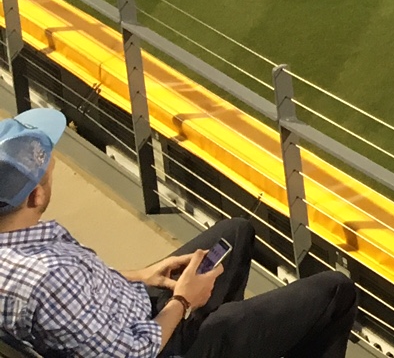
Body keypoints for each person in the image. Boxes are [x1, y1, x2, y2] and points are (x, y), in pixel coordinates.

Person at [0, 108, 357, 358]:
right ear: (37, 195)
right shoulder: (48, 279)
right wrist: (183, 301)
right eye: (48, 174)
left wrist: (143, 275)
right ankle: (215, 332)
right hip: (159, 344)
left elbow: (72, 298)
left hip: (135, 309)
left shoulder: (22, 249)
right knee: (335, 292)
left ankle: (227, 334)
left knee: (236, 233)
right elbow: (132, 354)